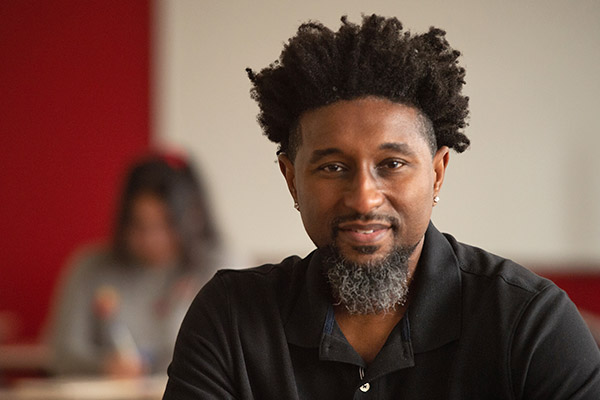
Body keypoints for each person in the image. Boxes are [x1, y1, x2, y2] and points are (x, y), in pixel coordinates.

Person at [163, 15, 600, 399]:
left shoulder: (529, 323)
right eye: (333, 167)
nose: (364, 198)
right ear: (291, 179)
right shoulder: (231, 320)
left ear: (438, 172)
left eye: (392, 164)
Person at [48, 152, 224, 377]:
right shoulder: (90, 267)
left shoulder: (215, 269)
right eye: (139, 225)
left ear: (192, 218)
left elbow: (221, 356)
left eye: (166, 224)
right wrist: (105, 366)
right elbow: (62, 353)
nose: (151, 239)